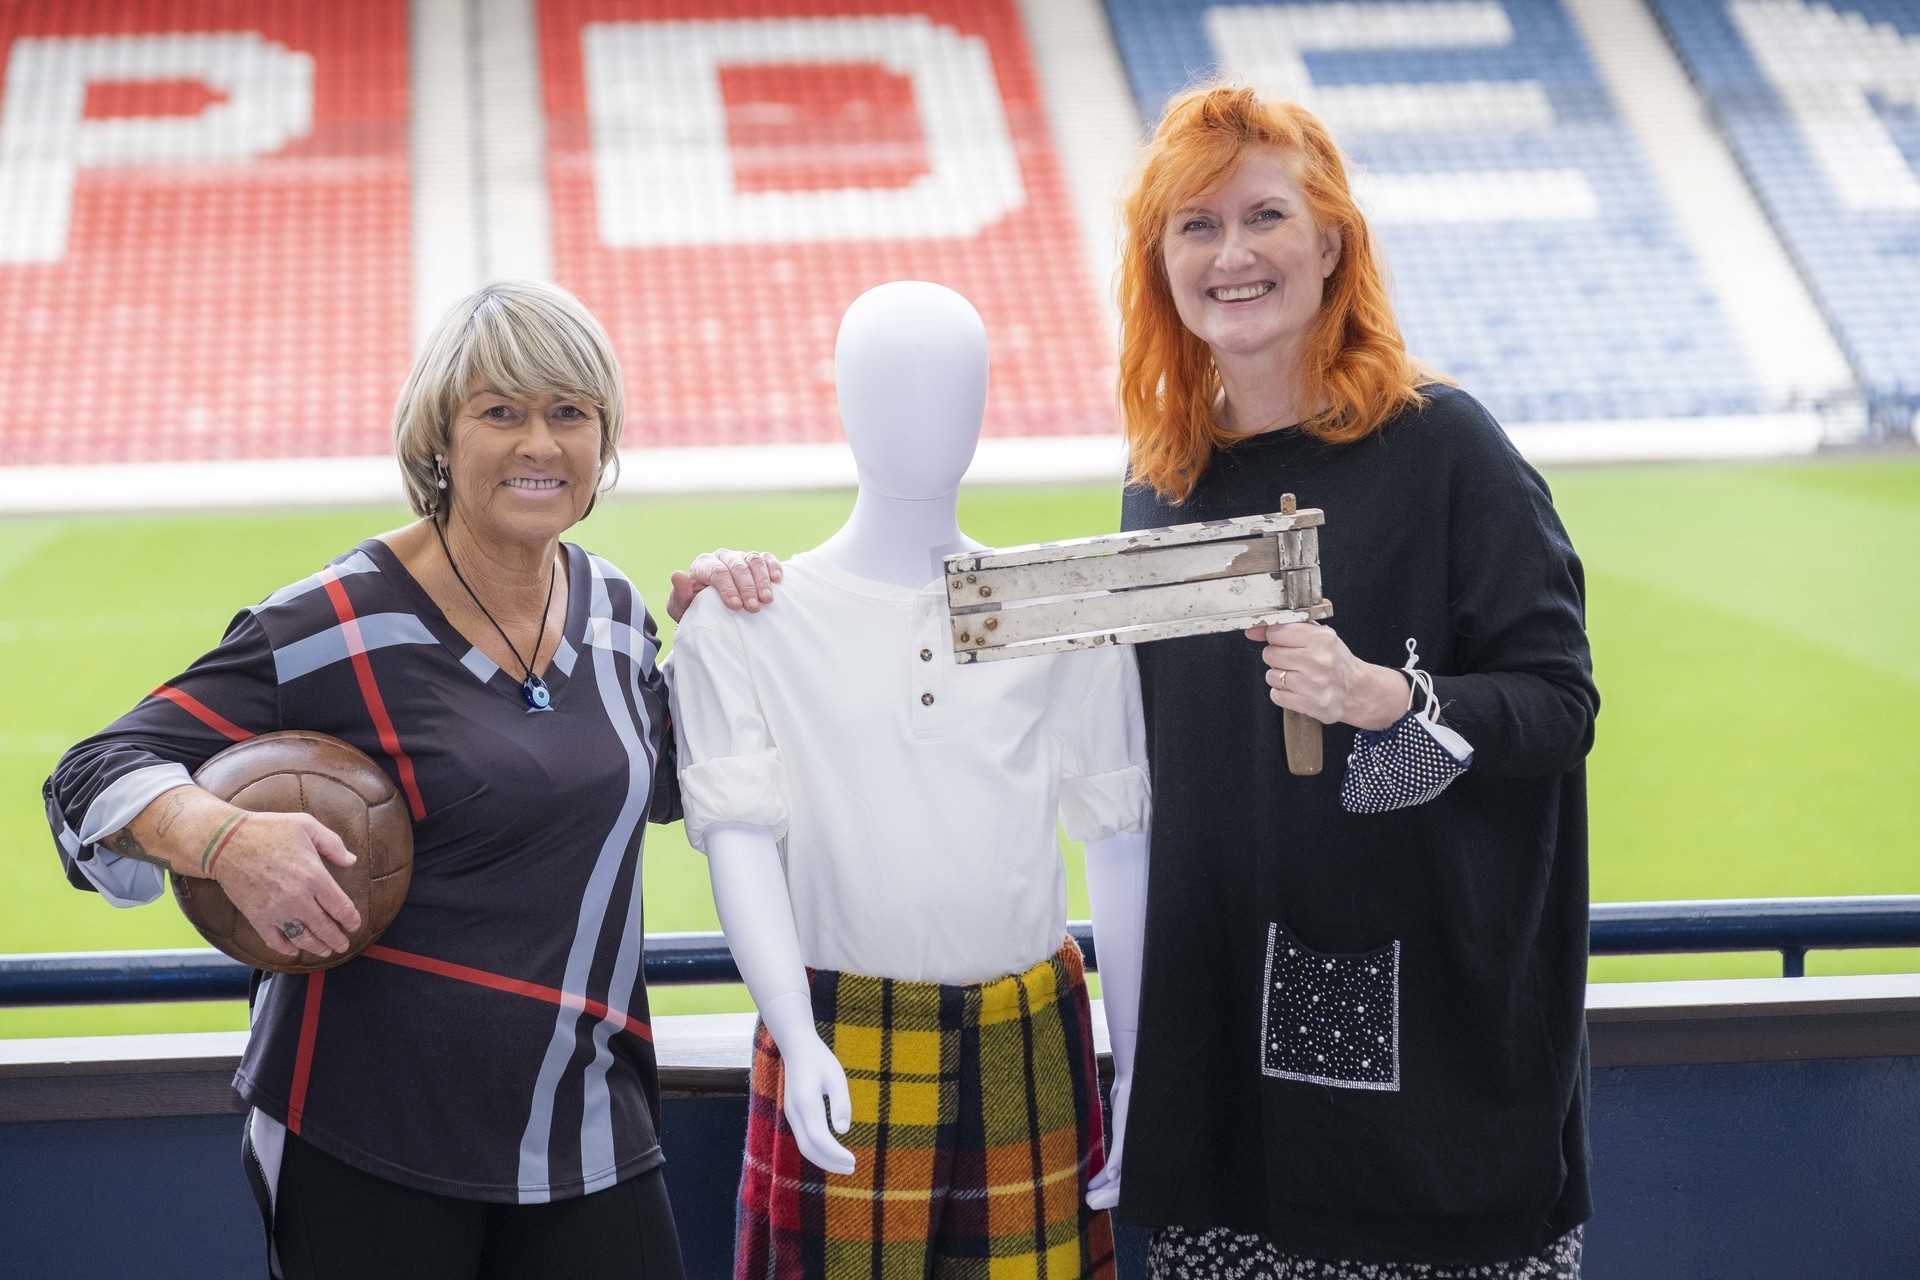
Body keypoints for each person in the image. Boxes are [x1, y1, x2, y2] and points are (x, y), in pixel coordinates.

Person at [43, 280, 688, 1280]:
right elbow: (93, 771)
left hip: (588, 1120)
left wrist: (739, 626)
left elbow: (663, 776)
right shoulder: (331, 620)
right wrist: (223, 837)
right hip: (367, 1131)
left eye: (570, 412)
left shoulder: (614, 606)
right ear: (439, 438)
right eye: (500, 411)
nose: (540, 443)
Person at [1094, 86, 1600, 1278]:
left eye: (1264, 215)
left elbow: (1558, 704)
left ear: (1329, 243)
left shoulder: (1444, 445)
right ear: (1159, 261)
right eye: (1195, 225)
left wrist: (1389, 697)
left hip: (1432, 1092)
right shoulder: (1163, 481)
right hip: (1226, 1073)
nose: (1232, 254)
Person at [666, 281, 1150, 1280]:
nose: (925, 412)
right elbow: (738, 840)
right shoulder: (745, 617)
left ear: (985, 402)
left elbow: (1119, 832)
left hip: (1032, 1031)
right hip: (840, 1031)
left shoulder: (1058, 603)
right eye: (892, 384)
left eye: (951, 384)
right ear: (843, 401)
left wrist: (1136, 1060)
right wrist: (797, 1037)